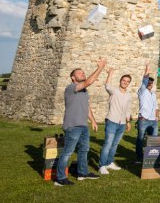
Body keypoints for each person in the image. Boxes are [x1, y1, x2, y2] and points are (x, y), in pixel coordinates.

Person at [54, 58, 106, 186]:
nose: (82, 74)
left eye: (83, 73)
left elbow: (86, 107)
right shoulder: (71, 88)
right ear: (73, 77)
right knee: (68, 152)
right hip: (72, 126)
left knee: (84, 150)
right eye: (79, 73)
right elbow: (89, 81)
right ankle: (60, 178)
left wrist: (93, 121)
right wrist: (100, 67)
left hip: (83, 126)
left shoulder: (84, 91)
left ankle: (82, 173)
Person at [98, 67, 132, 175]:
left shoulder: (128, 95)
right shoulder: (114, 91)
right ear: (120, 81)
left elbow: (127, 109)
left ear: (129, 83)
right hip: (112, 121)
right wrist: (110, 74)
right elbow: (107, 85)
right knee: (108, 144)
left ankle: (109, 162)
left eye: (127, 81)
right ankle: (102, 166)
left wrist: (128, 121)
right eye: (124, 80)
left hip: (122, 123)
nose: (125, 83)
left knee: (115, 144)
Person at [136, 62, 158, 163]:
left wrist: (157, 117)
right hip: (144, 120)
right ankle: (139, 158)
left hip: (154, 121)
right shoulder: (142, 91)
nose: (150, 84)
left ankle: (151, 158)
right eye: (148, 82)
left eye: (151, 83)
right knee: (140, 139)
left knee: (154, 141)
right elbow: (144, 81)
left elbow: (156, 107)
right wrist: (147, 70)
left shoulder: (153, 94)